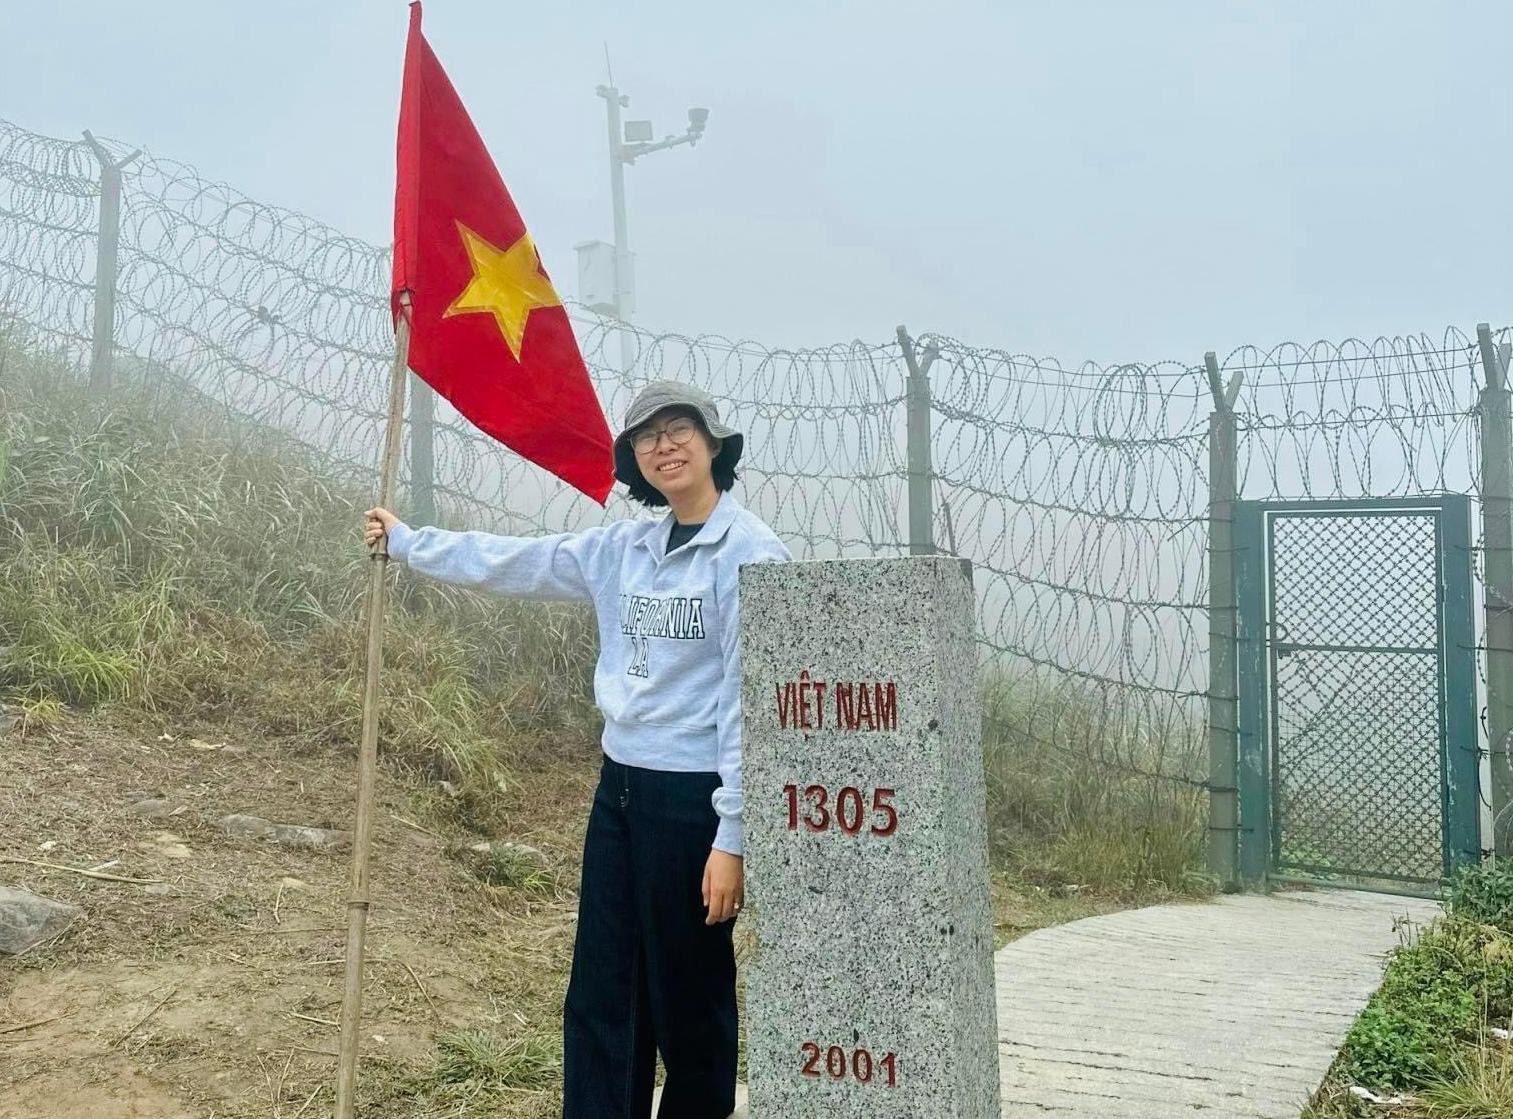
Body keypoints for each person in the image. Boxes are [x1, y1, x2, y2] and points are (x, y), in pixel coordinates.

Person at [364, 380, 790, 1119]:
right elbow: (515, 560)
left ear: (714, 443)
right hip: (620, 790)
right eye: (647, 436)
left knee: (688, 995)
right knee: (604, 989)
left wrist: (734, 835)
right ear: (636, 459)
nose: (664, 445)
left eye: (679, 428)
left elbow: (746, 704)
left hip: (691, 801)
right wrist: (409, 543)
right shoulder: (623, 547)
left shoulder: (750, 554)